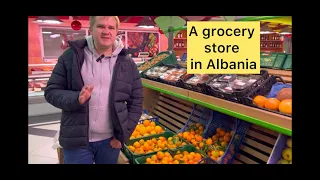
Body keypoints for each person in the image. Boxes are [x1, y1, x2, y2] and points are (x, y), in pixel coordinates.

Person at [44, 16, 143, 164]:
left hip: (110, 142)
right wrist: (77, 98)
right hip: (76, 140)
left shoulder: (127, 63)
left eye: (111, 28)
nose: (106, 32)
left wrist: (122, 136)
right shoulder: (71, 56)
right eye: (101, 26)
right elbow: (51, 91)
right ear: (91, 29)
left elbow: (136, 102)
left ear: (117, 32)